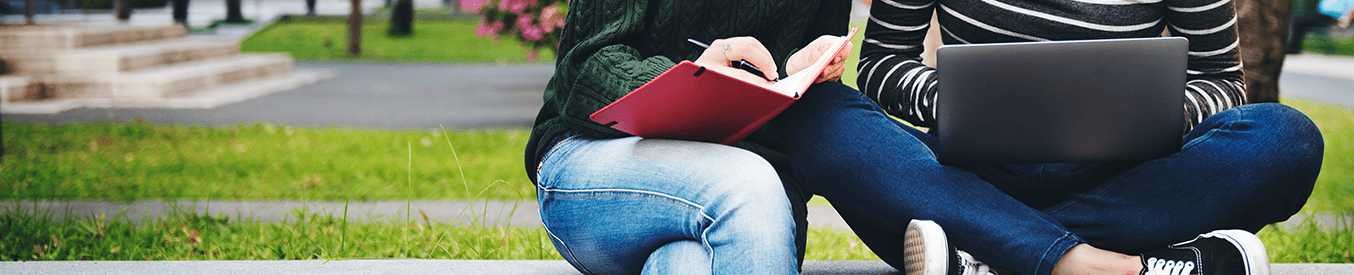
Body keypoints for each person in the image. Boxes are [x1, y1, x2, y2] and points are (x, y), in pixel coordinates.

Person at [768, 0, 1326, 274]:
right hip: (962, 172)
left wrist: (1150, 114)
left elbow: (1222, 82)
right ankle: (1117, 266)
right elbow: (884, 65)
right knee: (817, 113)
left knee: (1287, 139)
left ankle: (989, 257)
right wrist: (957, 101)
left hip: (1124, 178)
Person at [522, 0, 854, 274]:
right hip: (594, 157)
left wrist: (797, 66)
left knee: (690, 264)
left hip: (752, 189)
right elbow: (583, 67)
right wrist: (691, 81)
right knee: (745, 184)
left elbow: (804, 120)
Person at [1288, 0, 1354, 54]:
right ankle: (1294, 48)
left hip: (1336, 17)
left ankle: (1293, 48)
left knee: (1299, 21)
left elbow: (1352, 8)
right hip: (1324, 15)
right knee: (1299, 21)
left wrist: (1347, 19)